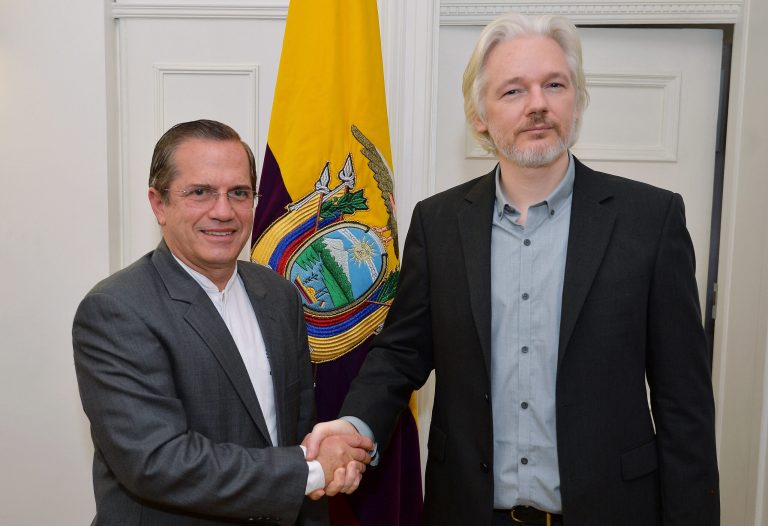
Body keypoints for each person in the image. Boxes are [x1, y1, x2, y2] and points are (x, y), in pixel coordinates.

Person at [306, 13, 720, 526]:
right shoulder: (438, 223)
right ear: (479, 115)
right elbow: (401, 352)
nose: (538, 104)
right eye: (513, 91)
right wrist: (354, 425)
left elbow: (685, 403)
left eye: (554, 85)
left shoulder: (650, 221)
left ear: (577, 100)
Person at [73, 119, 372, 525]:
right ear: (159, 204)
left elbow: (297, 432)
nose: (223, 211)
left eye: (239, 193)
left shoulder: (279, 295)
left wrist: (321, 469)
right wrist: (314, 471)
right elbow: (158, 461)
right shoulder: (116, 310)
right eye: (200, 192)